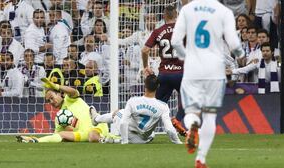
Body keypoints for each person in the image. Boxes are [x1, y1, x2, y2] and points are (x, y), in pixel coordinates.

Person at [171, 0, 245, 167]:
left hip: (192, 69)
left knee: (191, 111)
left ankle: (192, 127)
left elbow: (176, 41)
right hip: (215, 69)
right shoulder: (223, 11)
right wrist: (240, 53)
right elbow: (233, 43)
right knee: (210, 115)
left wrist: (185, 56)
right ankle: (201, 159)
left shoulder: (187, 9)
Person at [90, 74, 182, 144]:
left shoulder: (133, 101)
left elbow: (123, 123)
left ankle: (96, 119)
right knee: (152, 134)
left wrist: (125, 142)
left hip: (129, 133)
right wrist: (178, 142)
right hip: (144, 140)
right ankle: (116, 138)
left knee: (118, 113)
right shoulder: (163, 106)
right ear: (158, 87)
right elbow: (169, 129)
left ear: (144, 86)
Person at [16, 79, 109, 143]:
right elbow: (56, 136)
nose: (51, 102)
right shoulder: (59, 117)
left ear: (59, 94)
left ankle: (110, 138)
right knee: (61, 135)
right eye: (48, 101)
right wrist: (67, 131)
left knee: (92, 136)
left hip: (97, 126)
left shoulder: (70, 99)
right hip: (82, 134)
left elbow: (73, 91)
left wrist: (56, 86)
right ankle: (34, 140)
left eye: (52, 98)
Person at [141, 5, 187, 137]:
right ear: (177, 15)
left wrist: (146, 66)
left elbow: (144, 50)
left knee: (157, 104)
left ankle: (142, 127)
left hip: (164, 74)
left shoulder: (158, 31)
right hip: (181, 73)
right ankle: (177, 120)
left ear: (164, 16)